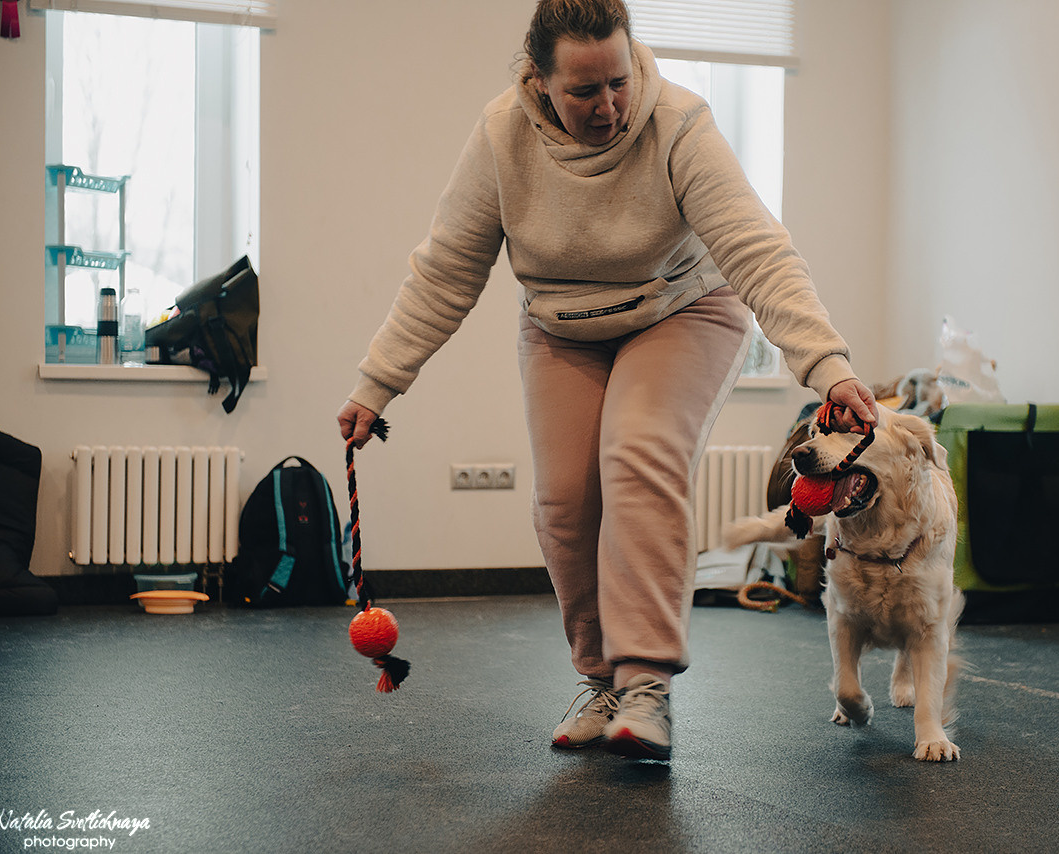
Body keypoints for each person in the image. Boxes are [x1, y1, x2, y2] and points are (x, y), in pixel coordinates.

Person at [337, 0, 877, 762]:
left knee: (638, 455)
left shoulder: (679, 124)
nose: (610, 106)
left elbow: (757, 250)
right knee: (564, 499)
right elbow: (446, 271)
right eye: (584, 91)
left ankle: (647, 683)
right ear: (539, 81)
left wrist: (827, 364)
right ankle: (601, 682)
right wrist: (375, 384)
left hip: (683, 307)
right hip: (563, 324)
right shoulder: (502, 136)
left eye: (618, 82)